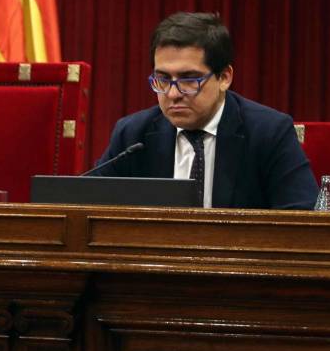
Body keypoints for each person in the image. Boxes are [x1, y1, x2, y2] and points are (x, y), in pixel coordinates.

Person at [92, 12, 318, 209]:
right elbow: (89, 205)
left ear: (224, 78)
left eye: (189, 79)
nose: (173, 93)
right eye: (163, 79)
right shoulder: (133, 135)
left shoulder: (268, 133)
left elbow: (301, 218)